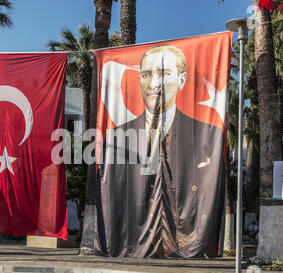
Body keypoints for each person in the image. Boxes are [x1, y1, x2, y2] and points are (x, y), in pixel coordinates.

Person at [96, 45, 226, 258]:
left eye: (164, 73)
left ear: (182, 79)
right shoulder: (116, 137)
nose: (154, 83)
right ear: (139, 80)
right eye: (147, 74)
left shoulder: (206, 135)